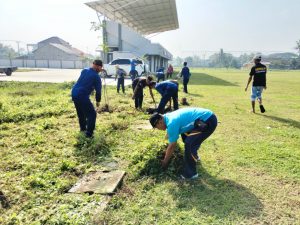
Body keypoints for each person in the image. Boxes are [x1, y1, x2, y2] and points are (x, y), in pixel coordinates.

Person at [149, 107, 218, 179]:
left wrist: (165, 162)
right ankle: (194, 157)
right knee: (185, 136)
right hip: (202, 119)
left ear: (159, 122)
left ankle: (191, 174)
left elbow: (172, 146)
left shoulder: (171, 122)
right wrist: (168, 136)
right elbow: (172, 130)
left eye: (157, 127)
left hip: (207, 121)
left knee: (189, 144)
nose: (158, 129)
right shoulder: (167, 117)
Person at [71, 59, 102, 137]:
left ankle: (83, 129)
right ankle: (89, 134)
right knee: (92, 114)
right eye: (100, 68)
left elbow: (85, 80)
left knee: (81, 113)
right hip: (82, 95)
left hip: (74, 93)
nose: (101, 69)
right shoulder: (96, 77)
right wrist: (98, 101)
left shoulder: (85, 70)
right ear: (98, 66)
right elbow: (98, 91)